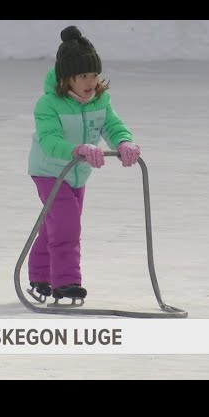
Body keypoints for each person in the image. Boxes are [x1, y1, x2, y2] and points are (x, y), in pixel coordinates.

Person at [27, 25, 141, 304]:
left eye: (94, 74)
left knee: (58, 223)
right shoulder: (48, 104)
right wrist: (77, 149)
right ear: (67, 78)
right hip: (50, 171)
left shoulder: (99, 99)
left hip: (78, 174)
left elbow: (112, 125)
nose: (91, 81)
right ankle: (66, 283)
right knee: (66, 226)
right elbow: (49, 141)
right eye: (83, 75)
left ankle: (40, 274)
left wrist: (124, 142)